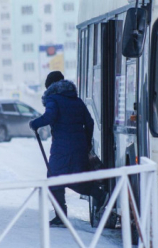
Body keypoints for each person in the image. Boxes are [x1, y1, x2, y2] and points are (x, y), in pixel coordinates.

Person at [29, 71, 107, 227]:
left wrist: (35, 123)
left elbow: (50, 116)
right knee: (74, 178)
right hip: (79, 147)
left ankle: (62, 217)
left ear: (50, 85)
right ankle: (99, 194)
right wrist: (86, 141)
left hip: (62, 148)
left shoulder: (53, 99)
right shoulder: (76, 100)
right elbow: (90, 122)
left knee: (54, 180)